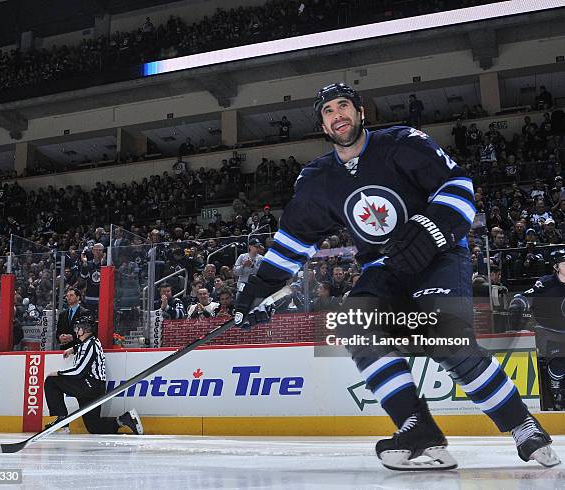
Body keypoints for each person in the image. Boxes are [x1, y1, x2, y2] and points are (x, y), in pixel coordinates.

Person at [234, 82, 559, 470]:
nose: (338, 115)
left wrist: (429, 229)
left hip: (438, 254)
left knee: (446, 339)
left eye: (344, 106)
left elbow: (458, 187)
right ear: (322, 125)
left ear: (360, 113)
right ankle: (419, 430)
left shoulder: (403, 142)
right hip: (384, 267)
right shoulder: (317, 180)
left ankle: (522, 424)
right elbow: (293, 242)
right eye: (328, 112)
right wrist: (258, 291)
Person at [44, 316, 144, 435]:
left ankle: (61, 421)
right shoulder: (89, 342)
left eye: (78, 328)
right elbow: (83, 349)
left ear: (85, 329)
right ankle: (125, 419)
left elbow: (78, 371)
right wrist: (73, 349)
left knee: (51, 381)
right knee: (94, 427)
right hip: (94, 388)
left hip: (89, 386)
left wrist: (57, 373)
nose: (76, 331)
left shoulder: (90, 345)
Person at [508, 249, 565, 410]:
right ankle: (556, 393)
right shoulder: (545, 283)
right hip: (552, 335)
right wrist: (519, 302)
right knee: (558, 365)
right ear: (556, 266)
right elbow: (524, 296)